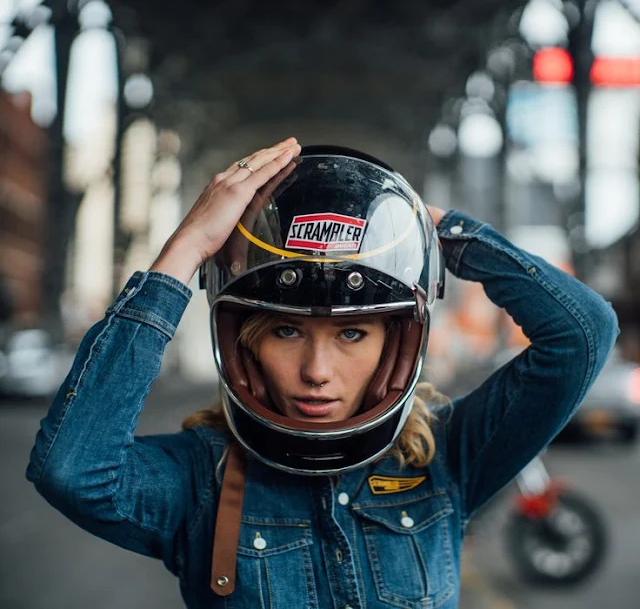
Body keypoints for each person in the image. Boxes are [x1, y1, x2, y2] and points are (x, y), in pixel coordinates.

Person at [26, 138, 619, 609]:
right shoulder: (196, 481)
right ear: (245, 343)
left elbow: (582, 334)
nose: (317, 371)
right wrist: (186, 250)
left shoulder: (447, 458)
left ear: (396, 347)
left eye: (352, 334)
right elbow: (72, 469)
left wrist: (437, 230)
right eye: (286, 331)